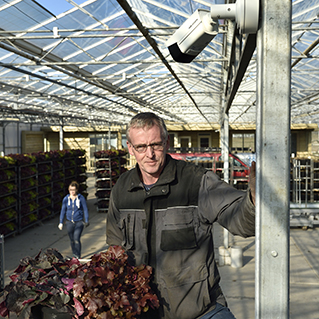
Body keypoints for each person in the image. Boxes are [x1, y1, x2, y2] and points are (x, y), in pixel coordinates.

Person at [106, 112, 256, 319]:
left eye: (156, 145)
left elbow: (240, 219)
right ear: (130, 149)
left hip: (201, 311)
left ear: (167, 143)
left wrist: (253, 202)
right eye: (141, 147)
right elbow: (115, 249)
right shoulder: (122, 190)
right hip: (142, 312)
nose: (149, 154)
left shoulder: (196, 182)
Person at [58, 181, 89, 259]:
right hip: (69, 222)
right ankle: (74, 254)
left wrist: (86, 220)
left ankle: (78, 255)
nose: (72, 191)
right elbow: (63, 210)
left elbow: (85, 209)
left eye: (73, 190)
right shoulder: (66, 199)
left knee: (76, 239)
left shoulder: (80, 198)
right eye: (70, 190)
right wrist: (61, 222)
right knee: (71, 240)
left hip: (79, 222)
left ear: (76, 190)